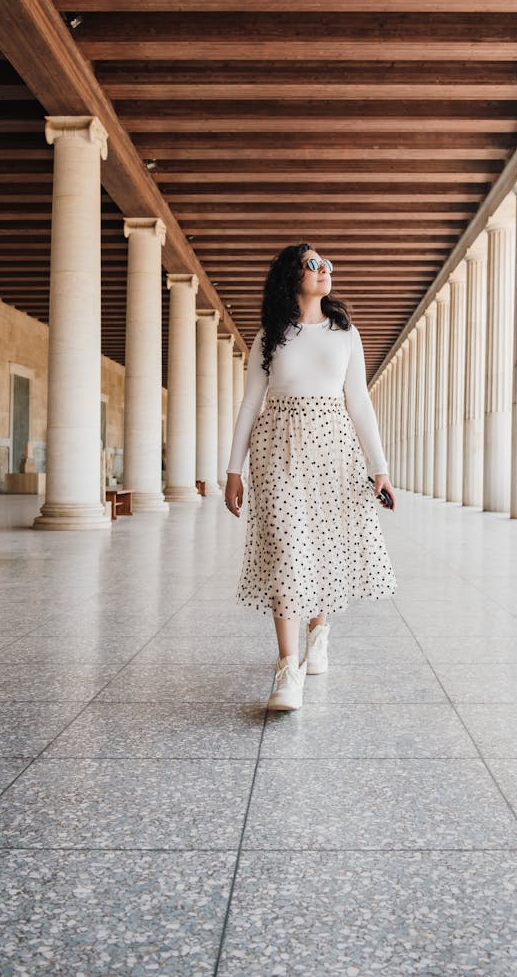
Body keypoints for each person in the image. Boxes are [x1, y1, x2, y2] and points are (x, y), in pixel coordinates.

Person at [224, 242, 397, 712]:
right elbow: (248, 404)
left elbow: (359, 402)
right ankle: (287, 667)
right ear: (291, 276)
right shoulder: (271, 334)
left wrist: (378, 469)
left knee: (318, 543)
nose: (325, 270)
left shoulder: (345, 334)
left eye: (327, 264)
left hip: (334, 450)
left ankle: (318, 630)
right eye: (313, 264)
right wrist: (233, 469)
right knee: (286, 543)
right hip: (275, 447)